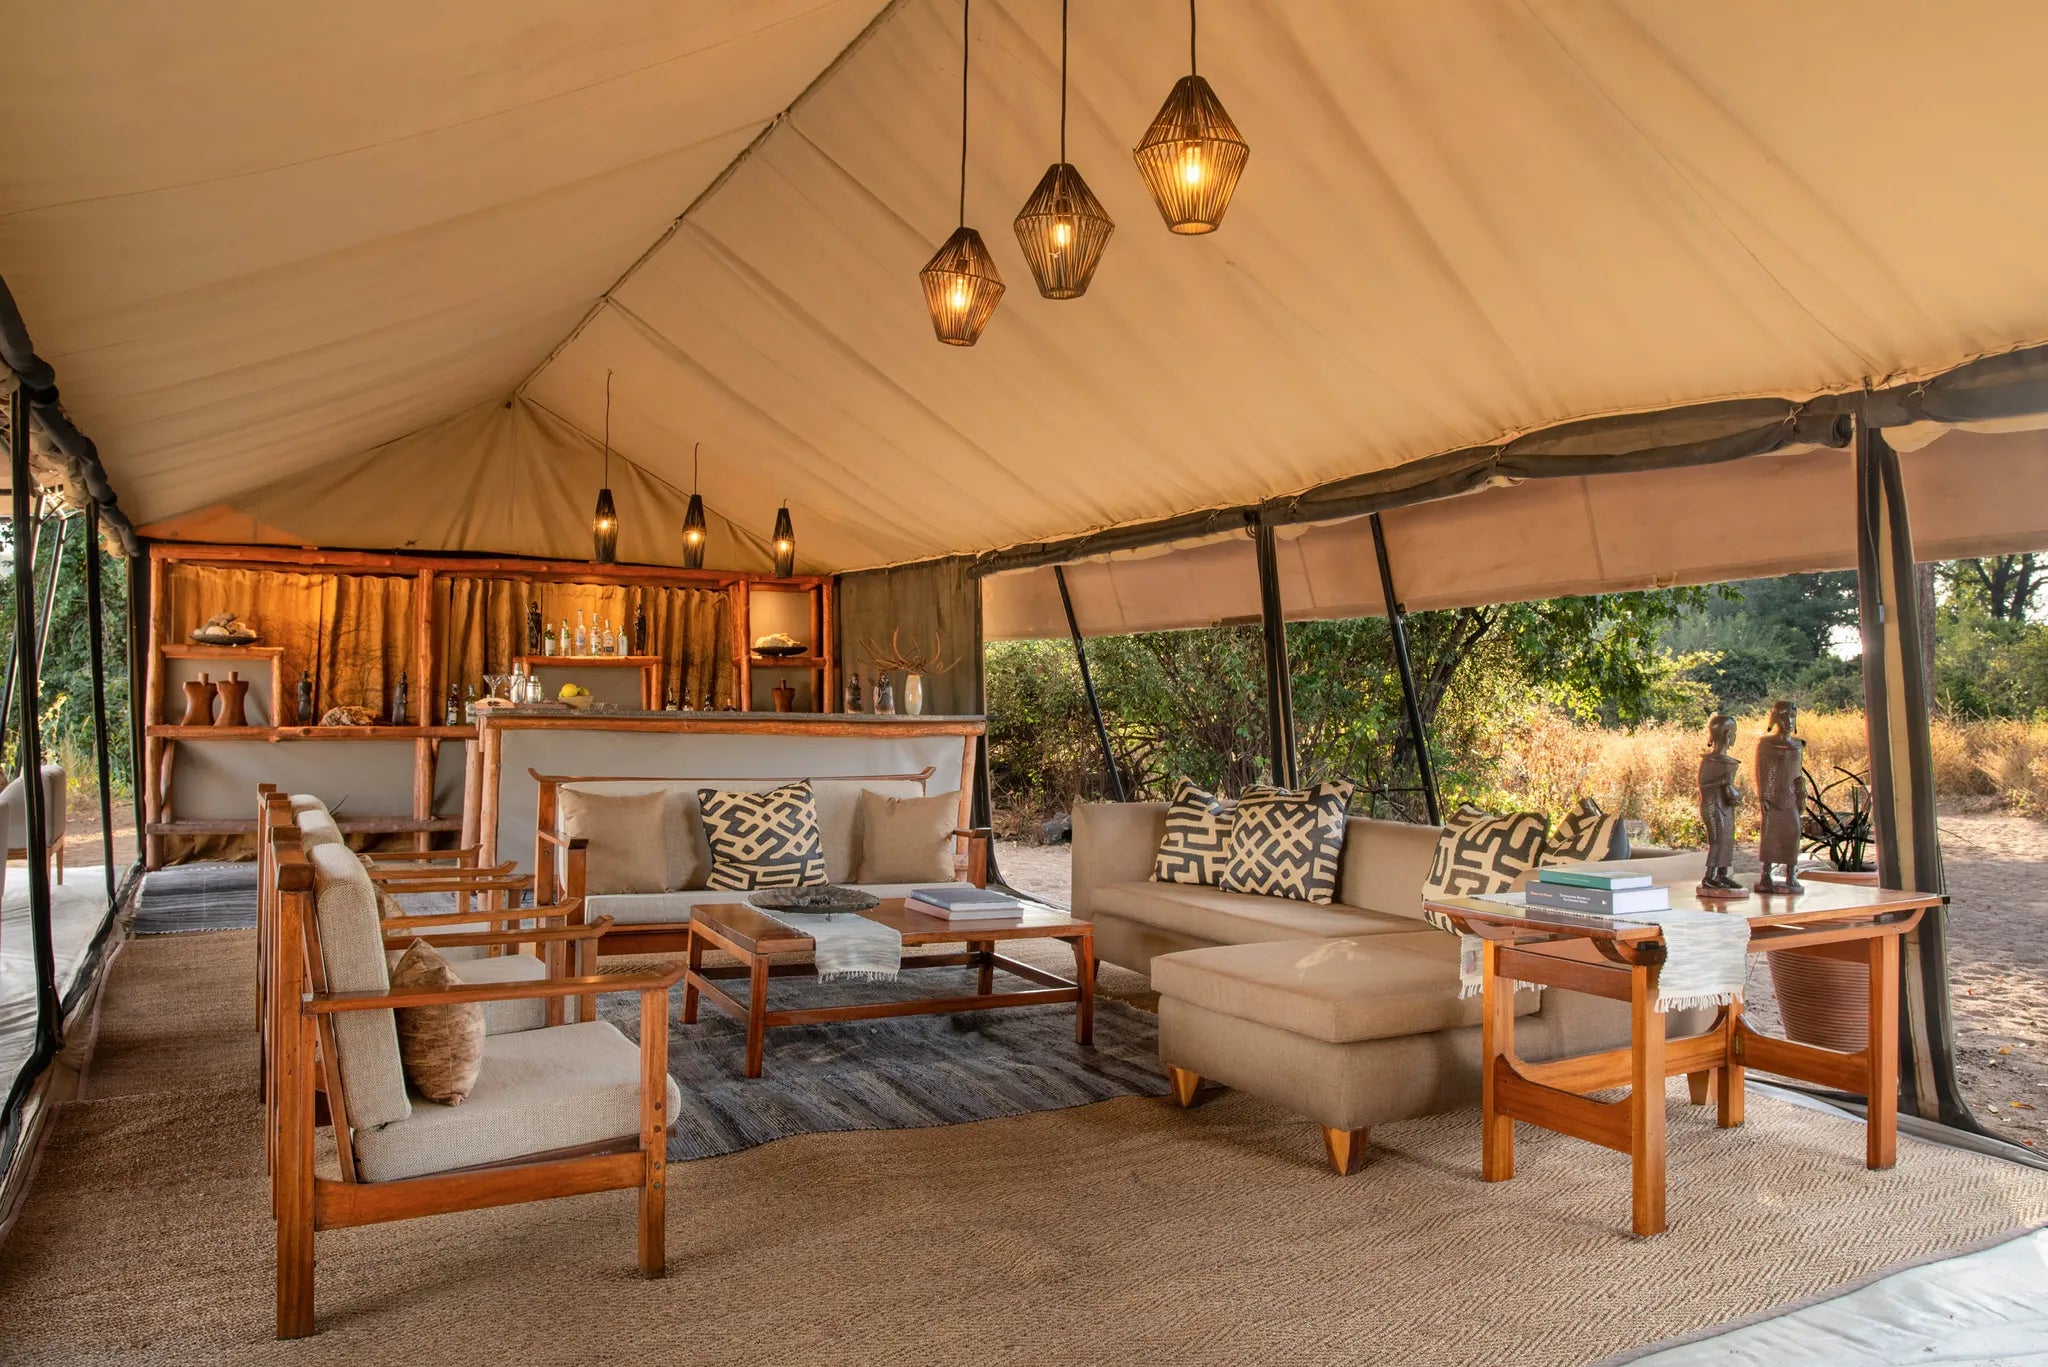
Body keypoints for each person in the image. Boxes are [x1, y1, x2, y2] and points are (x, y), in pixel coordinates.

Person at [1753, 699, 1806, 894]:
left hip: (1791, 797)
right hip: (1773, 797)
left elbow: (1798, 773)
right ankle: (1766, 873)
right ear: (1775, 719)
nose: (1789, 721)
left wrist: (1801, 794)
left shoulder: (1798, 745)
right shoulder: (1766, 744)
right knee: (1769, 834)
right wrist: (1763, 796)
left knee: (1793, 833)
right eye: (1784, 717)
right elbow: (1761, 771)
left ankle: (1791, 874)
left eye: (1792, 717)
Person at [1696, 712, 1745, 895]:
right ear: (1727, 735)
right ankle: (1709, 877)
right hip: (1712, 805)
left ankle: (1722, 874)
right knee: (1716, 840)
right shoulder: (1710, 760)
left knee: (1727, 839)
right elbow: (1704, 785)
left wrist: (1731, 791)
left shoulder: (1729, 762)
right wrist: (1724, 783)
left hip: (1725, 806)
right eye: (1734, 733)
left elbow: (1728, 787)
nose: (1735, 737)